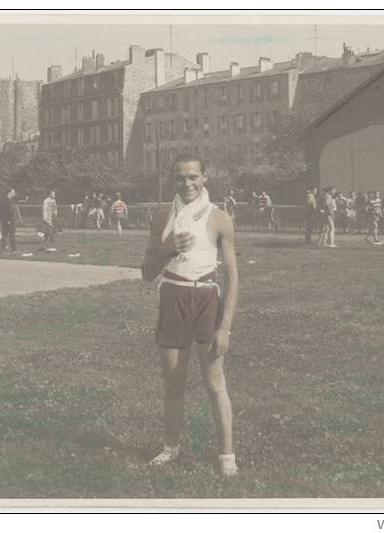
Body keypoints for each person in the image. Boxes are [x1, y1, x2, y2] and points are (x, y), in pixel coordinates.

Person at [140, 153, 239, 477]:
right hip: (173, 296)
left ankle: (226, 455)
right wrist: (168, 248)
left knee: (214, 383)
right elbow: (147, 272)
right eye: (181, 177)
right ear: (174, 180)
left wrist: (225, 327)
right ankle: (171, 447)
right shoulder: (161, 218)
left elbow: (232, 277)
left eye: (193, 176)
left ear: (205, 177)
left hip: (207, 299)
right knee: (173, 384)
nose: (187, 183)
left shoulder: (219, 217)